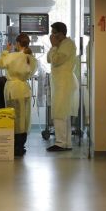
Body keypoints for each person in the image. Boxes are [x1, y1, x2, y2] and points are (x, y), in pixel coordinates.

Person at [0, 33, 37, 157]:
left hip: (13, 90)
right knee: (24, 118)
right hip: (24, 90)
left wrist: (5, 52)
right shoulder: (31, 58)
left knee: (13, 118)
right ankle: (21, 146)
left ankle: (14, 146)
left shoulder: (12, 56)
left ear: (18, 43)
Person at [46, 22, 79, 152]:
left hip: (64, 83)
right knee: (63, 111)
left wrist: (54, 46)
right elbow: (48, 59)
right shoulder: (60, 45)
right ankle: (66, 143)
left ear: (60, 33)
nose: (52, 36)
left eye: (54, 33)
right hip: (59, 82)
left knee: (60, 111)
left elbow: (56, 60)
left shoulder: (68, 44)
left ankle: (61, 142)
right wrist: (54, 46)